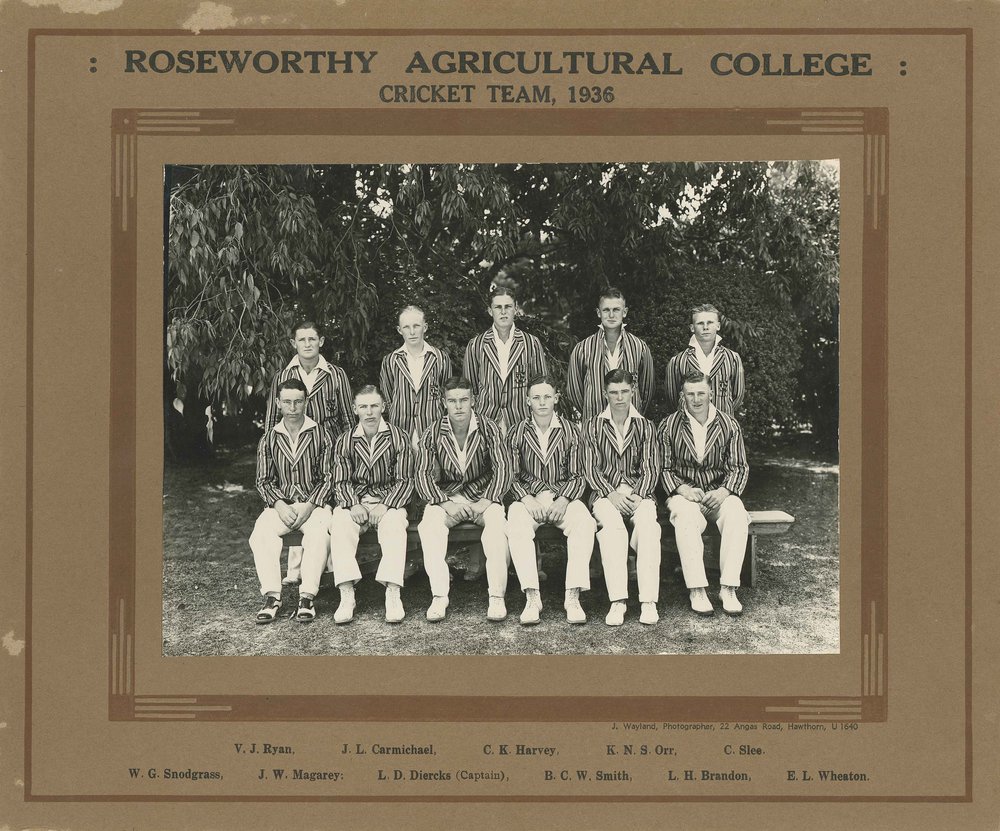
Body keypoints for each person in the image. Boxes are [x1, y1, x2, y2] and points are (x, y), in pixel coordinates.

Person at [415, 376, 515, 622]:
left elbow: (504, 468)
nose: (458, 406)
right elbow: (422, 474)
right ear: (444, 402)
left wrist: (487, 500)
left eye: (464, 400)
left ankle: (496, 596)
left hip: (483, 496)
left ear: (474, 401)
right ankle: (439, 596)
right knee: (429, 526)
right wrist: (447, 504)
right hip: (447, 497)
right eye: (452, 401)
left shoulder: (489, 428)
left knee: (498, 527)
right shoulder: (433, 431)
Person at [264, 319, 353, 586]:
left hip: (330, 449)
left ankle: (331, 566)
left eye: (312, 339)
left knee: (328, 506)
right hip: (293, 447)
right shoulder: (282, 376)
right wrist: (273, 448)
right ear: (294, 343)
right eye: (301, 340)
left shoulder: (335, 374)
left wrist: (348, 451)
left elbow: (348, 418)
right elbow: (271, 420)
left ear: (321, 342)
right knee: (296, 498)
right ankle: (295, 569)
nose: (307, 344)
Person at [658, 371, 750, 616]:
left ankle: (728, 587)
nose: (696, 399)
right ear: (682, 395)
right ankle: (697, 589)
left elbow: (739, 467)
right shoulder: (668, 425)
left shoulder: (729, 424)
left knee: (737, 514)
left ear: (711, 393)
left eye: (701, 393)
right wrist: (682, 489)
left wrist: (723, 492)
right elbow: (663, 468)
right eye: (690, 394)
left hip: (718, 493)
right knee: (685, 517)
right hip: (685, 495)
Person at [506, 375, 597, 625]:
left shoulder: (571, 431)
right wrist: (526, 498)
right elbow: (510, 475)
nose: (542, 402)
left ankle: (573, 596)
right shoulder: (517, 432)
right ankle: (532, 596)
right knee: (515, 522)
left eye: (547, 396)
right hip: (529, 499)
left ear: (556, 399)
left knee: (585, 523)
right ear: (527, 401)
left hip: (562, 496)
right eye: (536, 397)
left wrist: (564, 499)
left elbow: (580, 475)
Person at [327, 385, 415, 624]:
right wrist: (352, 504)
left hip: (388, 502)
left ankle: (393, 592)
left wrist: (385, 505)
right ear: (355, 409)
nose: (369, 412)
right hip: (356, 501)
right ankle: (347, 594)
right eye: (363, 407)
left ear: (383, 407)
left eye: (374, 406)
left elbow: (406, 480)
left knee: (395, 524)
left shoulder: (398, 437)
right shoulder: (345, 440)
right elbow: (340, 480)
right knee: (341, 522)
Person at [249, 378, 334, 624]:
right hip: (282, 505)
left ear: (306, 402)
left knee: (319, 534)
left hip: (315, 505)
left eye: (298, 401)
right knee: (260, 533)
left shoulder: (322, 434)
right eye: (287, 402)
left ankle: (307, 597)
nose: (293, 407)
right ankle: (272, 597)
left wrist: (309, 506)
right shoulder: (269, 438)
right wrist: (278, 504)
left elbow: (329, 477)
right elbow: (263, 481)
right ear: (278, 403)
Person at [582, 368, 662, 626]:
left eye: (624, 391)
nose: (619, 397)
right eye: (614, 392)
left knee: (649, 526)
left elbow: (652, 467)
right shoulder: (593, 426)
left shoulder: (646, 426)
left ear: (633, 391)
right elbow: (590, 468)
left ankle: (648, 601)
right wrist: (610, 493)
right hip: (605, 494)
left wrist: (639, 494)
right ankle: (618, 601)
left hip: (640, 494)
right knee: (613, 529)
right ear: (605, 393)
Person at [462, 284, 548, 434]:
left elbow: (540, 386)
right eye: (498, 307)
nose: (503, 312)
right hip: (486, 423)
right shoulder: (476, 345)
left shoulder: (531, 343)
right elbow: (470, 390)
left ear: (516, 308)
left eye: (508, 306)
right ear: (490, 311)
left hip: (522, 423)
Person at [565, 287, 656, 421]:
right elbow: (574, 392)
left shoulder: (639, 347)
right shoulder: (582, 349)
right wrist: (592, 410)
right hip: (595, 424)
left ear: (624, 312)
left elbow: (647, 390)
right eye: (606, 310)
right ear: (598, 312)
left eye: (616, 310)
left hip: (630, 424)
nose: (611, 315)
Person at [379, 305, 453, 447]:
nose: (412, 332)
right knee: (403, 468)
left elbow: (446, 395)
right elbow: (388, 396)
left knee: (431, 468)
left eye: (416, 326)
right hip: (401, 432)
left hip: (432, 431)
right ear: (399, 330)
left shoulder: (440, 358)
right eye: (406, 327)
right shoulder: (390, 360)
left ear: (425, 327)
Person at [664, 303, 745, 417]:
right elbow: (672, 398)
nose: (705, 327)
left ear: (718, 326)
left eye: (710, 322)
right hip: (688, 428)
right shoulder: (677, 361)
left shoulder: (732, 358)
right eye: (700, 323)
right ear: (692, 327)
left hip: (721, 427)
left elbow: (738, 396)